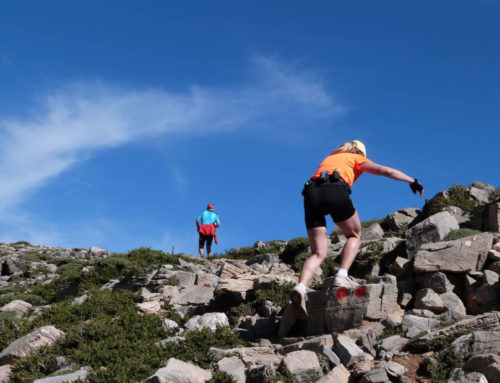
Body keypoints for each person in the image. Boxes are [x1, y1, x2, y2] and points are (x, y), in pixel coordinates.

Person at [290, 140, 424, 318]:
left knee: (318, 253)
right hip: (334, 189)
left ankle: (300, 287)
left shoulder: (330, 158)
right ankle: (342, 275)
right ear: (361, 153)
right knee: (354, 234)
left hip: (311, 194)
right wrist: (412, 180)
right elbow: (387, 171)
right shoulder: (355, 158)